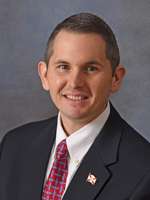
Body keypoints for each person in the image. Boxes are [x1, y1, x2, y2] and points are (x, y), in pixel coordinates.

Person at [0, 12, 150, 200]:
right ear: (44, 75)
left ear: (116, 79)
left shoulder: (143, 171)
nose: (75, 83)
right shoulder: (13, 146)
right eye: (63, 66)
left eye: (90, 68)